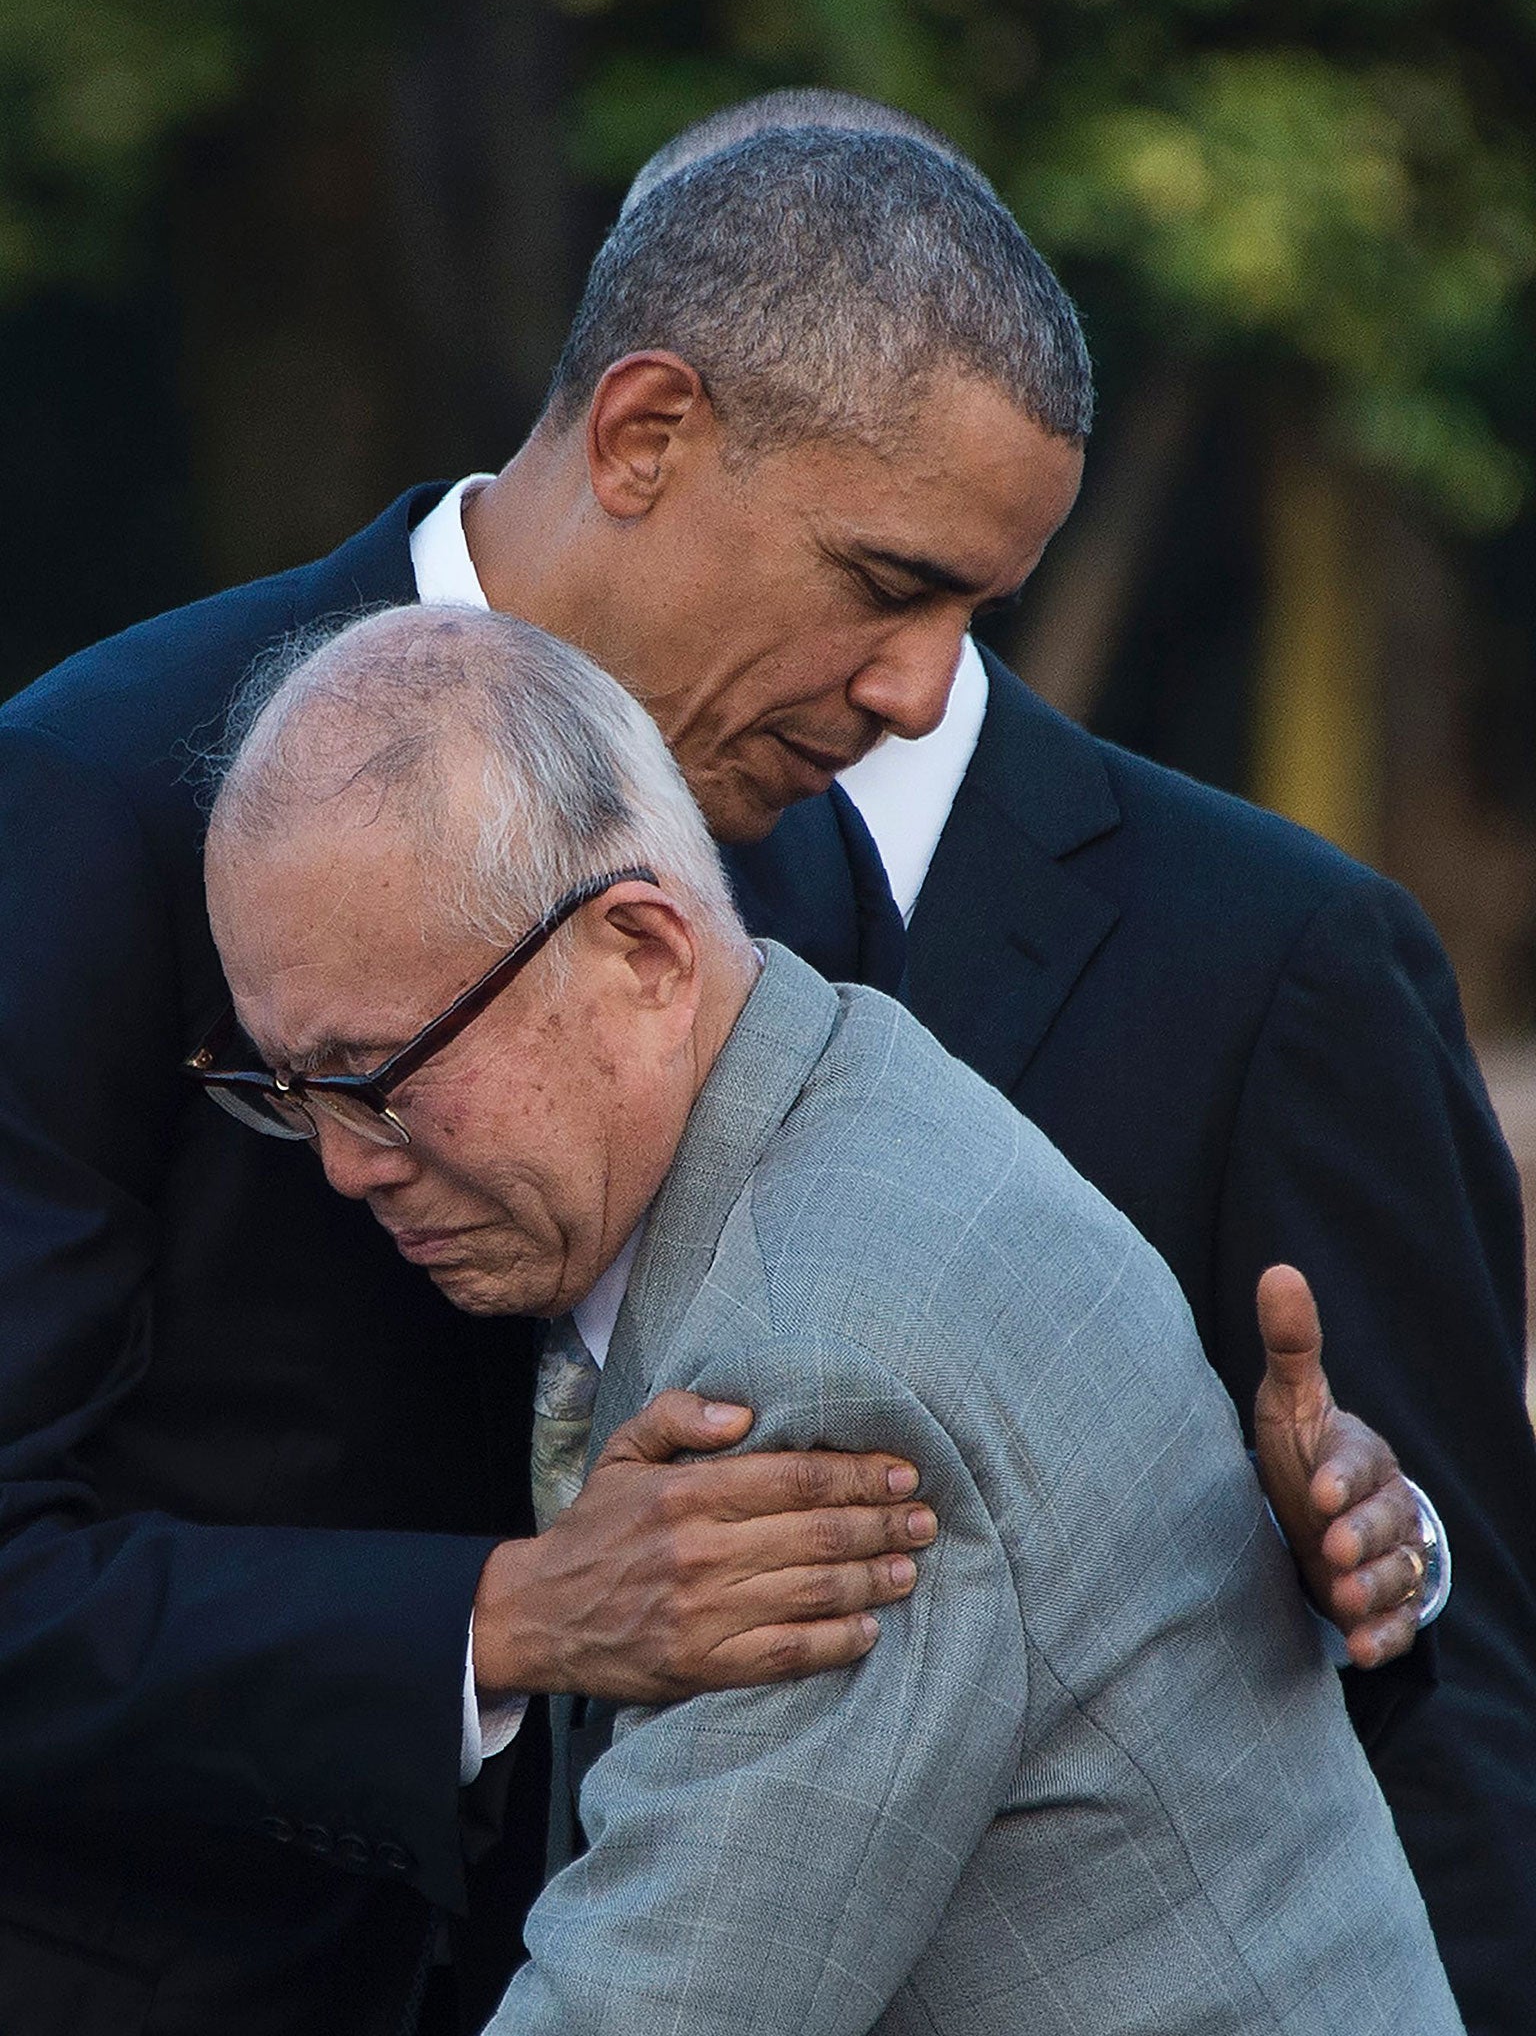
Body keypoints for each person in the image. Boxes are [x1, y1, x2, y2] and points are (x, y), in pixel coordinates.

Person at [0, 126, 1430, 2033]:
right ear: (647, 432)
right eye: (886, 581)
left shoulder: (789, 853)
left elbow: (939, 1391)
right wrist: (503, 1623)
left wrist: (1282, 1545)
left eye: (974, 618)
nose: (927, 698)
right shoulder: (93, 797)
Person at [202, 601, 1464, 2036]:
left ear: (645, 958)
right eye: (287, 1090)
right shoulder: (824, 1089)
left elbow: (650, 2008)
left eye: (379, 1075)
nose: (347, 1163)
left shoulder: (824, 1368)